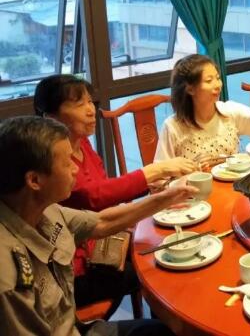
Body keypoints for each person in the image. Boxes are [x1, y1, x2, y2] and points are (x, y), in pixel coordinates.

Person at [0, 116, 197, 335]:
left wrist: (166, 198)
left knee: (161, 331)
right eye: (66, 163)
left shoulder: (44, 210)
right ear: (34, 181)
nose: (75, 169)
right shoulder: (8, 276)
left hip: (75, 327)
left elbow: (101, 222)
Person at [33, 74, 195, 313]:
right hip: (78, 267)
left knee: (170, 245)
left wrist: (151, 189)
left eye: (90, 102)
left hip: (102, 239)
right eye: (79, 104)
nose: (91, 110)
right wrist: (154, 171)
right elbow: (92, 196)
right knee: (158, 269)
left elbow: (105, 193)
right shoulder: (51, 162)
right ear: (50, 118)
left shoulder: (82, 143)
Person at [155, 54, 250, 165]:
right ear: (190, 89)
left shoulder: (229, 111)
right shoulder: (173, 127)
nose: (218, 85)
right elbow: (159, 181)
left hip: (233, 187)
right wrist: (192, 170)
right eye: (209, 81)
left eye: (218, 78)